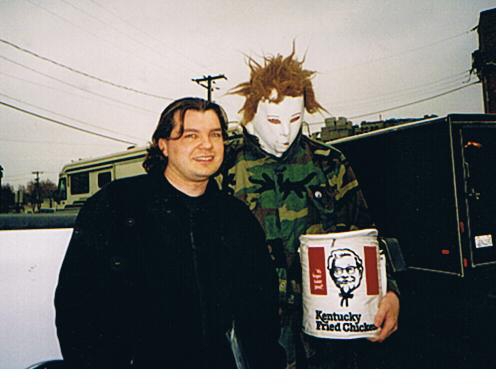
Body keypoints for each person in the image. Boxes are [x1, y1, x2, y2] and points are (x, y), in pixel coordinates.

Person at [54, 97, 285, 368]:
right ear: (163, 145)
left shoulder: (237, 218)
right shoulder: (115, 206)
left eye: (215, 134)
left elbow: (261, 315)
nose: (207, 145)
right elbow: (78, 307)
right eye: (190, 135)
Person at [219, 49, 400, 368]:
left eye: (294, 119)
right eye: (273, 120)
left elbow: (366, 236)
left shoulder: (329, 164)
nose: (285, 133)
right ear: (251, 115)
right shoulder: (224, 166)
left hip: (327, 335)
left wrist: (391, 293)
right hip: (252, 331)